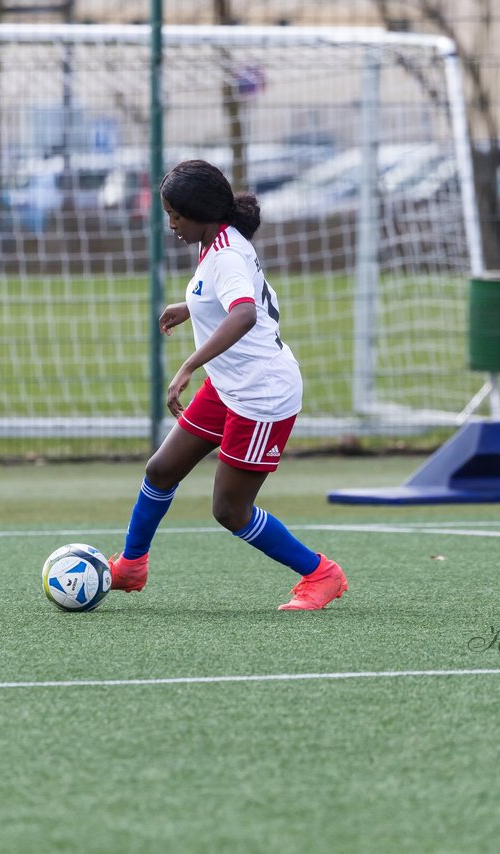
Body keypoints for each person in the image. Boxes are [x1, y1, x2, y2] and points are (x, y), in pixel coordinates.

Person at [109, 159, 348, 611]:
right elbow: (240, 296)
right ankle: (131, 567)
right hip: (229, 384)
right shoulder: (216, 240)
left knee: (230, 511)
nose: (171, 224)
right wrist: (192, 306)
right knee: (161, 470)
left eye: (176, 216)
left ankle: (321, 573)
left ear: (200, 213)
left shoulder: (226, 253)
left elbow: (245, 312)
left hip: (261, 394)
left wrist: (188, 365)